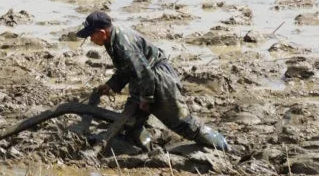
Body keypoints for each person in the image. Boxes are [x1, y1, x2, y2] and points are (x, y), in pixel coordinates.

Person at [72, 10, 230, 151]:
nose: (91, 39)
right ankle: (147, 151)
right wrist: (111, 85)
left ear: (102, 32)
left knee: (184, 124)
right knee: (133, 123)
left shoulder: (123, 45)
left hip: (158, 80)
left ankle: (224, 147)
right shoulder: (112, 38)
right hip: (142, 81)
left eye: (91, 35)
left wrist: (146, 99)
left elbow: (144, 72)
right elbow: (128, 69)